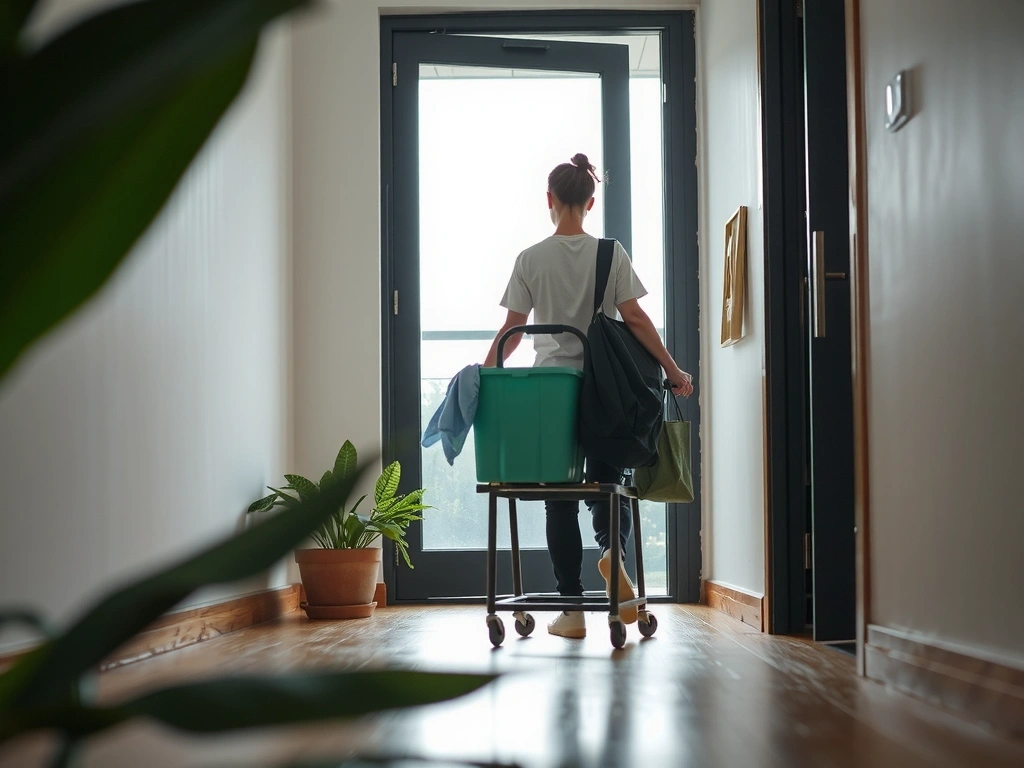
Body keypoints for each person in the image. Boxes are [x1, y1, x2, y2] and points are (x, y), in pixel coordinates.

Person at [483, 153, 694, 639]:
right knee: (608, 487)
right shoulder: (610, 253)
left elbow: (512, 331)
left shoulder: (530, 258)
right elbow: (635, 319)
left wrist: (484, 374)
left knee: (558, 499)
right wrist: (672, 369)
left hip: (549, 393)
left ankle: (572, 610)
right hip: (606, 390)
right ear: (591, 202)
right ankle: (611, 555)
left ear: (549, 199)